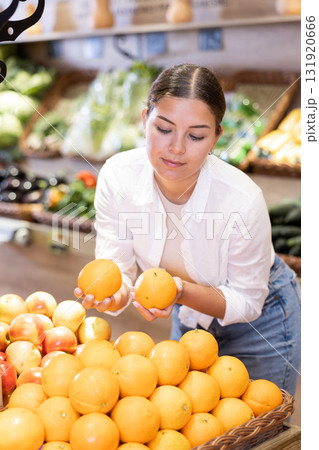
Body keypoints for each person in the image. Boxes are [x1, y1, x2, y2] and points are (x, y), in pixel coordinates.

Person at [74, 63, 301, 398]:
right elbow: (117, 271)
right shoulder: (118, 176)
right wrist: (111, 296)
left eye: (195, 136)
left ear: (216, 137)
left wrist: (179, 292)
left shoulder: (241, 199)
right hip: (190, 313)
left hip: (263, 320)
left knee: (258, 430)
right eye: (164, 128)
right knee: (188, 423)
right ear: (144, 119)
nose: (176, 148)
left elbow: (248, 300)